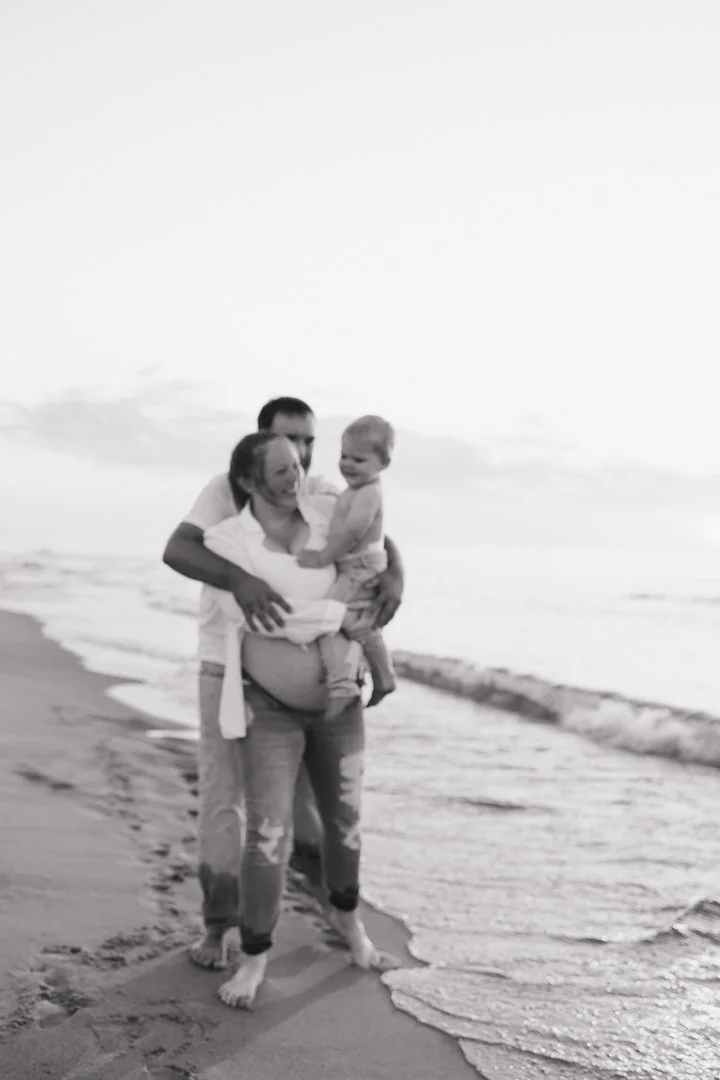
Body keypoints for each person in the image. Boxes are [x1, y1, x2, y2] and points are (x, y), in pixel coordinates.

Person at [161, 397, 404, 970]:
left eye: (308, 442)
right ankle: (221, 925)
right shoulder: (225, 493)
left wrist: (396, 571)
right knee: (228, 800)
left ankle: (331, 913)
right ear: (260, 444)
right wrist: (241, 581)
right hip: (228, 663)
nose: (300, 453)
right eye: (288, 440)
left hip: (313, 684)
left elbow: (368, 526)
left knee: (320, 812)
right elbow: (178, 549)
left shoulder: (318, 490)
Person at [297, 414, 397, 718]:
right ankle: (351, 678)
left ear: (383, 463)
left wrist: (322, 558)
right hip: (354, 565)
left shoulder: (369, 493)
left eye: (359, 459)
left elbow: (353, 532)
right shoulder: (353, 491)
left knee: (337, 617)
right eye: (344, 456)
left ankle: (374, 677)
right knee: (346, 619)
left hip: (359, 567)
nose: (348, 464)